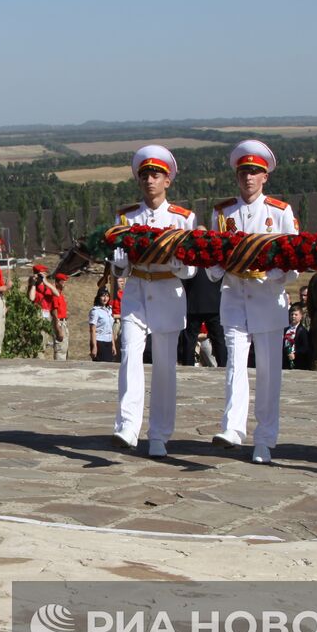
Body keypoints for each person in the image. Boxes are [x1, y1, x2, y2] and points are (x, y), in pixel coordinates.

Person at [207, 140, 297, 465]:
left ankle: (265, 438)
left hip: (268, 302)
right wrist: (220, 267)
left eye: (255, 172)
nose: (248, 178)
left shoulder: (279, 212)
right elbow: (213, 261)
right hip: (234, 300)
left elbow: (294, 264)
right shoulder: (223, 213)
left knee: (269, 374)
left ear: (265, 177)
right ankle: (233, 428)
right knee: (234, 365)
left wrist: (269, 272)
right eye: (244, 171)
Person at [110, 145, 197, 458]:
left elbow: (190, 268)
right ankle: (128, 425)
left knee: (164, 368)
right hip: (135, 291)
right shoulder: (126, 217)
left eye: (156, 174)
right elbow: (118, 265)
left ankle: (159, 433)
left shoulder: (182, 219)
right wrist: (118, 262)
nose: (149, 180)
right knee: (129, 357)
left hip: (167, 292)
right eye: (145, 174)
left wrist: (172, 259)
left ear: (168, 181)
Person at [26, 264, 60, 357]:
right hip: (38, 315)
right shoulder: (33, 286)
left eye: (44, 273)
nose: (43, 275)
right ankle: (39, 357)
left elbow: (57, 294)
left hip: (46, 315)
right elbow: (32, 298)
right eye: (41, 273)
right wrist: (33, 283)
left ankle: (41, 355)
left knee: (44, 340)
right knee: (39, 340)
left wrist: (46, 282)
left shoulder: (47, 286)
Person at [89, 288, 117, 362]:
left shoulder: (109, 310)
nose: (105, 299)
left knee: (108, 366)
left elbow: (110, 329)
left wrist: (113, 345)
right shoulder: (95, 311)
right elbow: (92, 330)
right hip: (99, 342)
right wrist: (94, 346)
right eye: (103, 296)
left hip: (109, 342)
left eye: (107, 296)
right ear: (99, 297)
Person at [283, 303, 311, 370]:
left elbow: (305, 347)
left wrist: (295, 353)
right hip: (285, 361)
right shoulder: (286, 329)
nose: (293, 316)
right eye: (292, 314)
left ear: (301, 316)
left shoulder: (302, 331)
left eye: (296, 315)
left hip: (298, 362)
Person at [51, 272, 71, 360]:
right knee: (60, 349)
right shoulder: (55, 295)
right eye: (62, 281)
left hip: (64, 322)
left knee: (65, 348)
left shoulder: (61, 295)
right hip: (59, 323)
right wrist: (57, 328)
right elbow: (54, 311)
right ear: (57, 282)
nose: (64, 284)